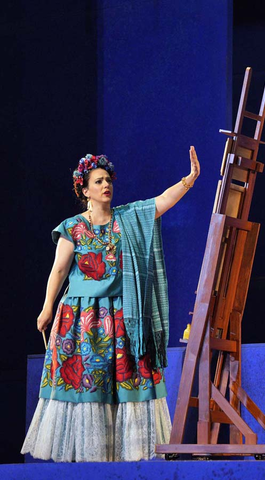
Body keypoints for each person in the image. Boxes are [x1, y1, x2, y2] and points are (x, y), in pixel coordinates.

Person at [21, 147, 200, 462]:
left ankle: (125, 460)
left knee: (126, 382)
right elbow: (59, 270)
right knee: (90, 384)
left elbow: (160, 202)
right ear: (85, 190)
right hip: (81, 319)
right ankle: (92, 461)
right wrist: (47, 307)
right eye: (98, 181)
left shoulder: (127, 219)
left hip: (122, 317)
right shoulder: (72, 227)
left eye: (108, 180)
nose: (106, 185)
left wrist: (189, 179)